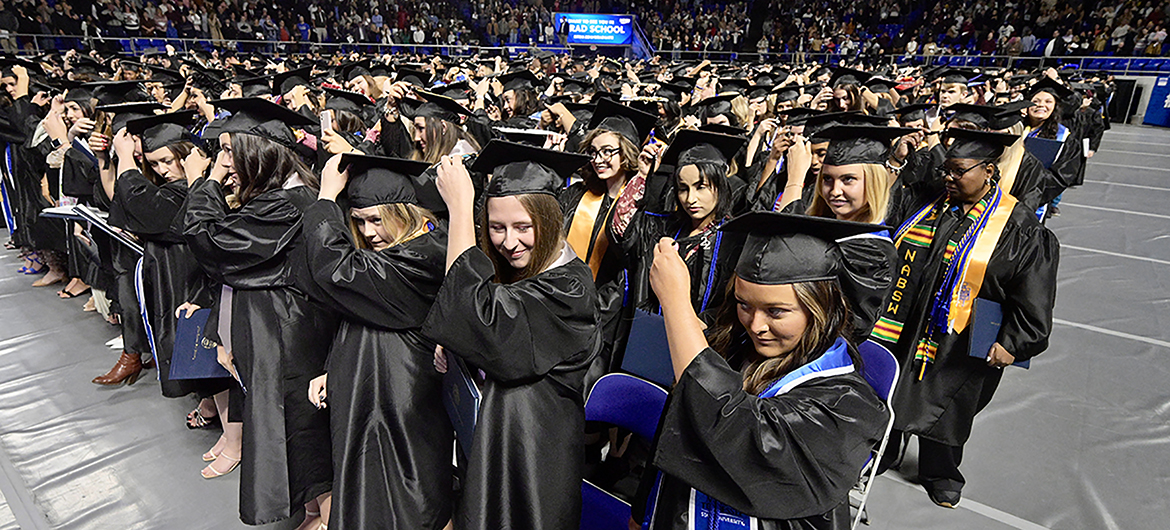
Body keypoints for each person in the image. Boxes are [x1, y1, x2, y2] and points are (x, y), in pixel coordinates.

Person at [633, 211, 891, 529]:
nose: (756, 326)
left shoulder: (846, 405)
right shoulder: (734, 348)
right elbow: (678, 428)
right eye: (744, 305)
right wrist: (643, 509)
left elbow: (738, 434)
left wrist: (677, 303)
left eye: (776, 311)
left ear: (821, 308)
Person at [873, 129, 1059, 509]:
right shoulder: (926, 204)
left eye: (959, 171)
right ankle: (885, 451)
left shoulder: (1018, 226)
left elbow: (1033, 292)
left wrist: (1014, 341)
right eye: (946, 169)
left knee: (946, 407)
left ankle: (940, 472)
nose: (948, 177)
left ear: (988, 170)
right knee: (890, 390)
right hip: (905, 322)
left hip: (960, 336)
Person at [424, 140, 599, 529]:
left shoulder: (569, 288)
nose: (508, 242)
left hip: (535, 459)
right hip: (494, 442)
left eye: (523, 227)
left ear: (550, 220)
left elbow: (478, 321)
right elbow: (478, 322)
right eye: (496, 227)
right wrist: (459, 349)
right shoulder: (521, 272)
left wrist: (460, 210)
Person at [183, 98, 337, 527]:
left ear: (257, 154)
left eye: (229, 151)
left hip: (289, 338)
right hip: (277, 332)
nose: (223, 161)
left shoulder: (285, 205)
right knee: (293, 432)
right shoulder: (278, 198)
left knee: (305, 435)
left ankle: (328, 517)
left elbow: (209, 241)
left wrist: (205, 182)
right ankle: (313, 510)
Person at [303, 153, 453, 529]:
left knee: (413, 498)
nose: (368, 232)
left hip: (404, 401)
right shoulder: (388, 255)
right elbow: (359, 318)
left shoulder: (425, 256)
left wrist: (326, 199)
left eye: (376, 219)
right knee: (369, 492)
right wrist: (332, 368)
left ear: (404, 213)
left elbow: (337, 270)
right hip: (367, 393)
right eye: (359, 221)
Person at [615, 129, 746, 315]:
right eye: (683, 189)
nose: (690, 199)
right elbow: (625, 232)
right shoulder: (667, 227)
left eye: (701, 187)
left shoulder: (733, 241)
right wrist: (643, 175)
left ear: (721, 186)